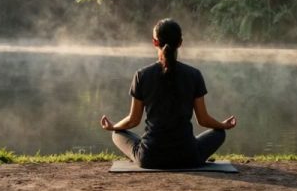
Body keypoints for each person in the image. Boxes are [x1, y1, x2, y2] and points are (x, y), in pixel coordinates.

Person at [99, 18, 237, 168]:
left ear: (154, 42)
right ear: (180, 43)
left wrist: (113, 127)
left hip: (149, 158)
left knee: (117, 134)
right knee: (219, 133)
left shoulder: (142, 75)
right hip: (188, 157)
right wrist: (223, 125)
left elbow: (133, 120)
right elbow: (203, 120)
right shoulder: (194, 75)